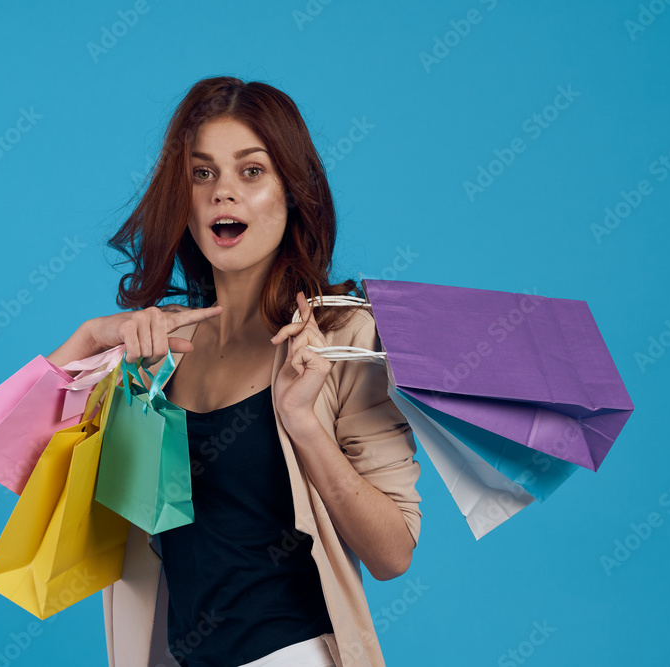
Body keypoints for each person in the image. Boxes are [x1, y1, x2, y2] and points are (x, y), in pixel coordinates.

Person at [45, 77, 422, 666]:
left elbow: (392, 553)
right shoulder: (159, 345)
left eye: (251, 171)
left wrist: (303, 425)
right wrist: (91, 339)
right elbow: (26, 461)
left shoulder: (344, 339)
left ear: (293, 191)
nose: (224, 193)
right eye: (203, 174)